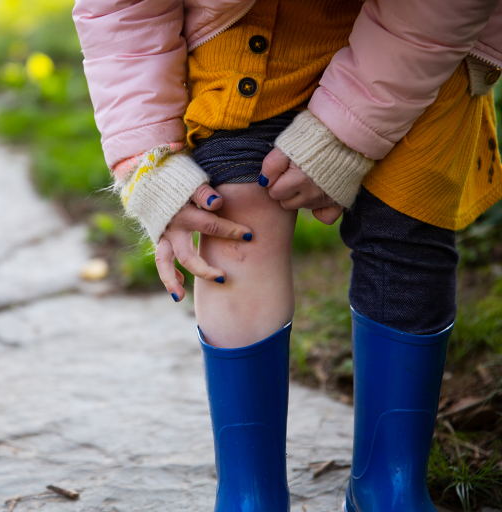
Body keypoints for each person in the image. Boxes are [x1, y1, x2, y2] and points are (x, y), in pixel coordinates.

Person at [73, 1, 502, 510]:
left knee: (407, 228)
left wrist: (349, 131)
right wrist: (148, 162)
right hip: (244, 26)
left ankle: (387, 486)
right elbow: (121, 11)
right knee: (232, 224)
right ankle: (249, 493)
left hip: (424, 46)